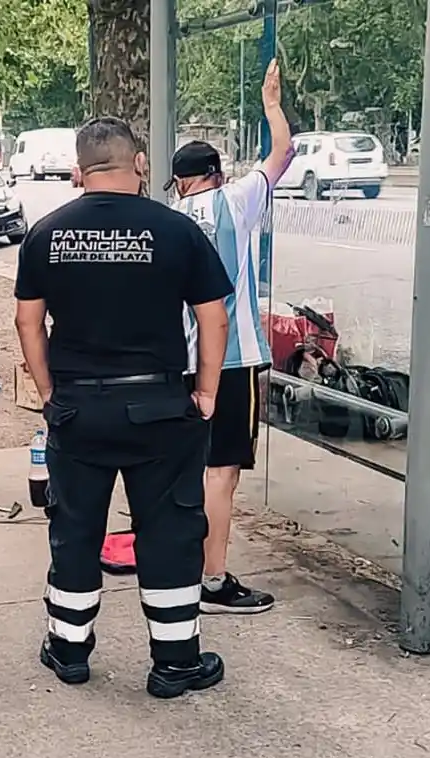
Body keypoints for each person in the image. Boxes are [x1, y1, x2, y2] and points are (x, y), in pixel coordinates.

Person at [15, 116, 234, 699]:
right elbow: (214, 318)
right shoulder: (177, 230)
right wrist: (206, 392)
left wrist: (48, 392)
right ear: (138, 163)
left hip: (79, 407)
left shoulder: (47, 233)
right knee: (169, 531)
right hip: (159, 405)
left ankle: (69, 650)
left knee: (75, 528)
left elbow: (27, 322)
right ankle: (175, 663)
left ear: (78, 171)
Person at [167, 59, 293, 615]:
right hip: (233, 360)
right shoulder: (235, 201)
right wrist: (271, 105)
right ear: (216, 174)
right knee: (222, 471)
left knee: (186, 469)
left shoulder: (168, 217)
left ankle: (177, 565)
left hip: (180, 360)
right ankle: (212, 579)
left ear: (180, 181)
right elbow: (283, 153)